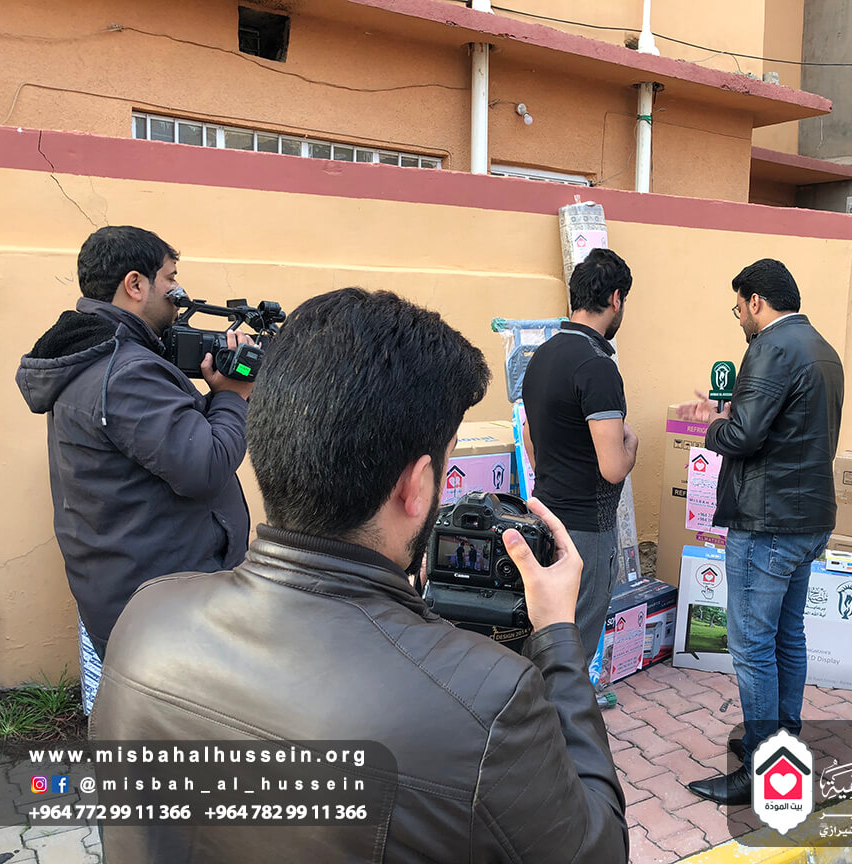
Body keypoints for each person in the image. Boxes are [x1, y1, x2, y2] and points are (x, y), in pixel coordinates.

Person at [90, 288, 628, 863]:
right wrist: (557, 638)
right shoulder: (490, 702)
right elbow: (597, 851)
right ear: (416, 486)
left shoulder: (147, 616)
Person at [15, 225, 252, 659]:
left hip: (138, 593)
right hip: (164, 613)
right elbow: (206, 465)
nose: (178, 292)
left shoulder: (101, 353)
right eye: (171, 278)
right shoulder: (127, 371)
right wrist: (233, 397)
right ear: (135, 284)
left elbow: (167, 439)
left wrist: (217, 395)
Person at [678, 258, 844, 805]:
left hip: (767, 522)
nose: (740, 319)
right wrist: (735, 413)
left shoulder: (770, 347)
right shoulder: (823, 349)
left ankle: (761, 765)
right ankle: (783, 746)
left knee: (752, 647)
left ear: (756, 301)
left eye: (739, 308)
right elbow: (788, 427)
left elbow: (745, 436)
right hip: (808, 519)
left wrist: (711, 425)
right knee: (786, 637)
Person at [521, 248, 638, 660]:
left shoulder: (541, 356)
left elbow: (530, 439)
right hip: (586, 534)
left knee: (540, 643)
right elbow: (612, 468)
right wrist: (631, 446)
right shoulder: (597, 365)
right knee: (573, 654)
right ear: (616, 298)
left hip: (542, 523)